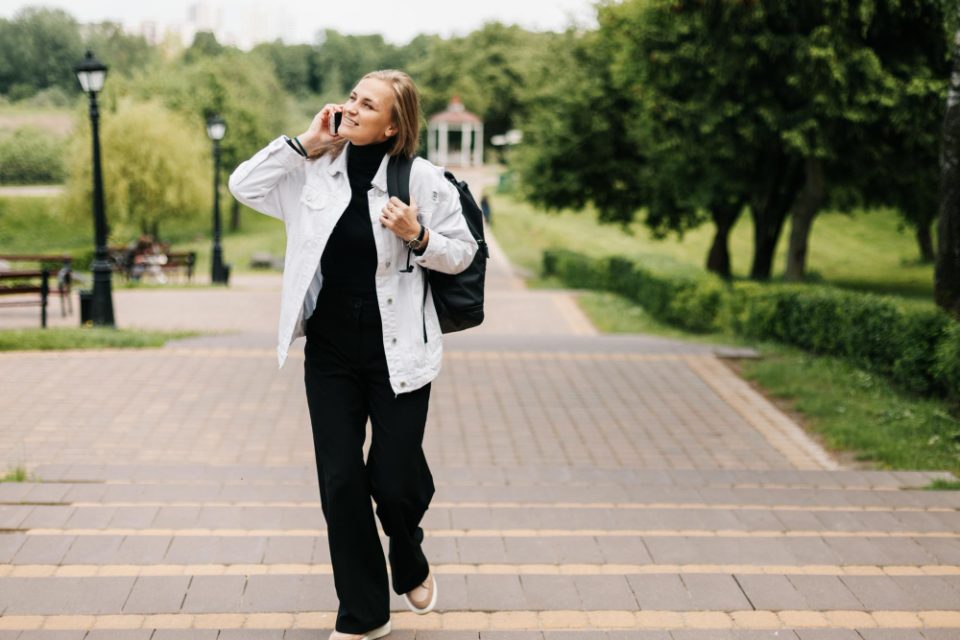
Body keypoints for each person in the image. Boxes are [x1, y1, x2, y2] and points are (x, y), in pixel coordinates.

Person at [228, 70, 477, 640]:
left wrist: (419, 237)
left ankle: (407, 551)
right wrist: (303, 143)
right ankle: (363, 614)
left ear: (394, 123)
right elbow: (244, 185)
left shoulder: (423, 179)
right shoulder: (313, 172)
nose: (353, 108)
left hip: (400, 350)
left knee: (391, 481)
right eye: (352, 99)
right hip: (332, 348)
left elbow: (463, 253)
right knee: (341, 480)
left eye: (369, 105)